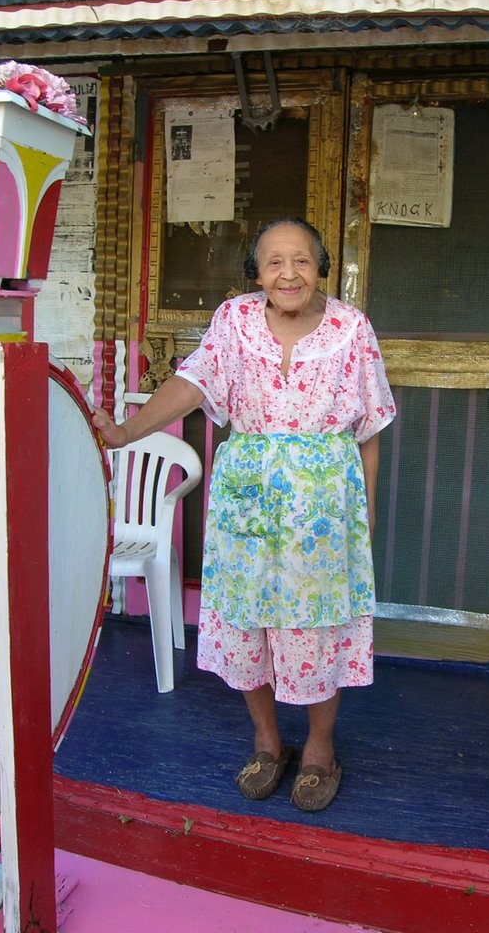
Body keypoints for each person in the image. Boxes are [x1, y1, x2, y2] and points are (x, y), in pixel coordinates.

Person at [93, 217, 395, 811]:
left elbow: (371, 432)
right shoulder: (233, 321)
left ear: (321, 268)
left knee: (318, 624)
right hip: (248, 505)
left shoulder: (351, 329)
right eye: (275, 262)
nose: (289, 273)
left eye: (303, 261)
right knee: (245, 620)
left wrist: (367, 520)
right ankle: (266, 740)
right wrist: (126, 431)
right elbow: (191, 386)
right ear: (256, 272)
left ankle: (319, 749)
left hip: (323, 514)